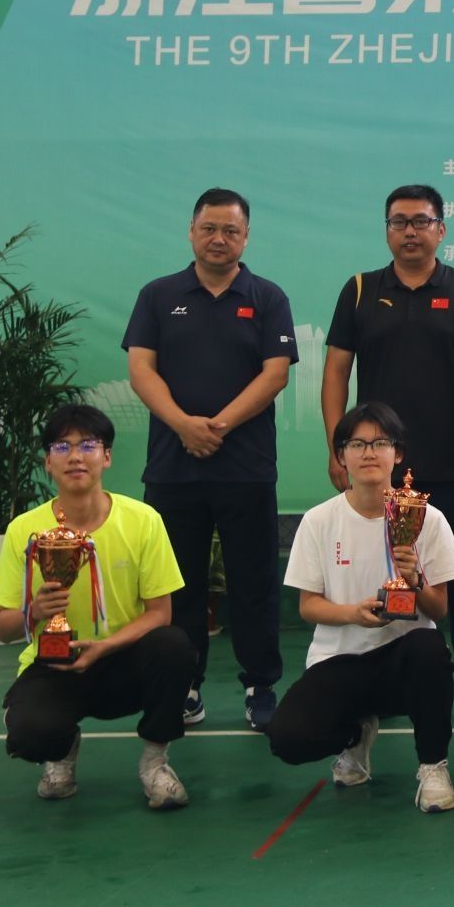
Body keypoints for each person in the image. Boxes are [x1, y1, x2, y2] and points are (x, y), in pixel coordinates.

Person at [324, 183, 454, 727]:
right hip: (376, 470)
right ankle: (382, 685)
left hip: (451, 468)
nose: (410, 231)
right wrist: (339, 447)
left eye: (421, 221)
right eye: (399, 222)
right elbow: (335, 371)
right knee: (379, 575)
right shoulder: (360, 289)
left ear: (441, 229)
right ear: (387, 230)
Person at [124, 186, 294, 732]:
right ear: (191, 231)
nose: (219, 239)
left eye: (230, 231)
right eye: (209, 229)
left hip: (246, 467)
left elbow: (275, 374)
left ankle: (260, 684)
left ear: (246, 237)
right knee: (179, 583)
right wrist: (182, 424)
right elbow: (141, 370)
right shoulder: (158, 295)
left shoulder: (267, 297)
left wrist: (216, 426)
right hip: (174, 467)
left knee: (254, 581)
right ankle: (185, 684)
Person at [0, 404, 192, 809]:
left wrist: (104, 646)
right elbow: (2, 628)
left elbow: (160, 613)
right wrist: (34, 612)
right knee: (30, 733)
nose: (75, 456)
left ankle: (155, 764)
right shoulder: (24, 530)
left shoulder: (144, 520)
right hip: (54, 663)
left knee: (174, 646)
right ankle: (61, 750)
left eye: (88, 445)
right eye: (62, 446)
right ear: (48, 462)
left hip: (124, 662)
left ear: (107, 456)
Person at [267, 403, 454, 813]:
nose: (369, 453)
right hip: (339, 659)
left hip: (402, 659)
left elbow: (439, 610)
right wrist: (352, 615)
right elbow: (308, 606)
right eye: (356, 444)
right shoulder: (319, 521)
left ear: (398, 453)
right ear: (341, 456)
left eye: (380, 443)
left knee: (430, 649)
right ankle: (355, 736)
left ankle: (433, 767)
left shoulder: (427, 518)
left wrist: (415, 580)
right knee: (287, 739)